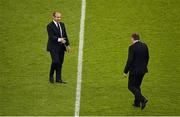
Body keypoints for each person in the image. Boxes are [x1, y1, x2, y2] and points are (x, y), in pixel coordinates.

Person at [123, 33, 149, 110]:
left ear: (132, 38)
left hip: (134, 71)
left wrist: (125, 71)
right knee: (137, 86)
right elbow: (147, 57)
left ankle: (143, 99)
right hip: (143, 70)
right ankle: (137, 103)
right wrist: (144, 66)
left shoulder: (132, 47)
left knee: (131, 86)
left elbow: (129, 60)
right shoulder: (144, 45)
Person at [47, 11, 70, 84]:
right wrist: (60, 39)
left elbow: (65, 35)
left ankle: (58, 78)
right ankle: (51, 75)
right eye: (57, 17)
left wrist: (68, 45)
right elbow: (51, 37)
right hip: (53, 47)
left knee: (60, 63)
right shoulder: (49, 26)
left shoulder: (62, 25)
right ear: (53, 17)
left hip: (61, 47)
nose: (59, 18)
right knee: (55, 61)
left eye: (60, 17)